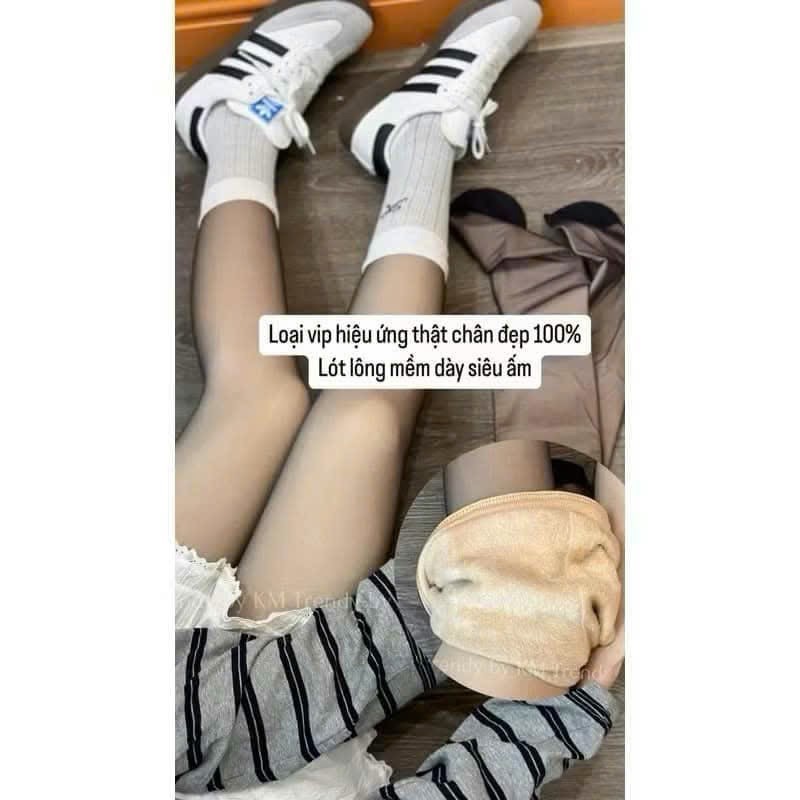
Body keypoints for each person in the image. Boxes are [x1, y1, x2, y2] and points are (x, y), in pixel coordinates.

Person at [174, 0, 623, 796]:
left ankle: (234, 123)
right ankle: (417, 141)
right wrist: (570, 686)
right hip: (280, 744)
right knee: (363, 419)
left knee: (259, 399)